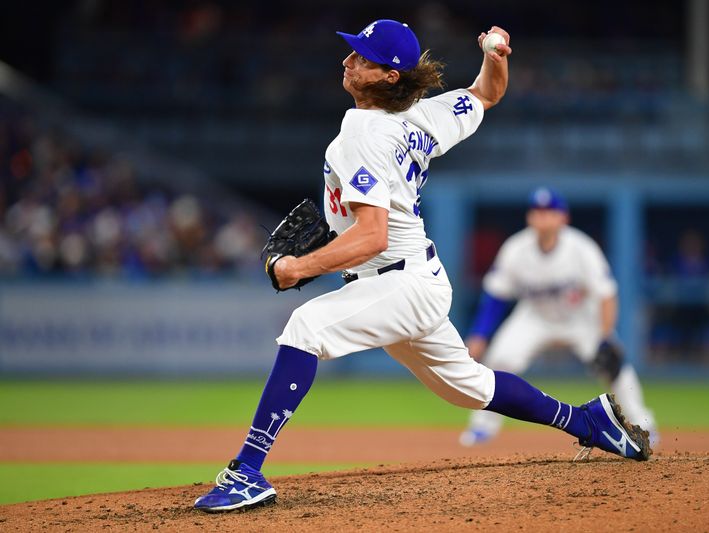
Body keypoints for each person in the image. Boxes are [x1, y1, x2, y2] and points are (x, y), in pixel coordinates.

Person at [194, 20, 651, 513]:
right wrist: (495, 59)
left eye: (363, 58)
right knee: (470, 387)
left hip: (400, 281)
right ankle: (588, 421)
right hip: (413, 280)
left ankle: (247, 471)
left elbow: (373, 236)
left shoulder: (362, 133)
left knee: (306, 326)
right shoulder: (423, 116)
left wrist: (298, 268)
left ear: (390, 76)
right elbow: (486, 95)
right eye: (352, 52)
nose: (348, 61)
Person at [459, 187, 658, 447]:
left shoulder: (581, 248)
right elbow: (496, 295)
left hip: (579, 318)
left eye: (549, 212)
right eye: (537, 212)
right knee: (499, 359)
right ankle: (482, 426)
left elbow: (607, 295)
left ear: (563, 218)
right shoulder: (516, 249)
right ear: (530, 218)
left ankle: (643, 424)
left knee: (613, 364)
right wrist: (479, 334)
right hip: (535, 315)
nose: (542, 218)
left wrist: (606, 336)